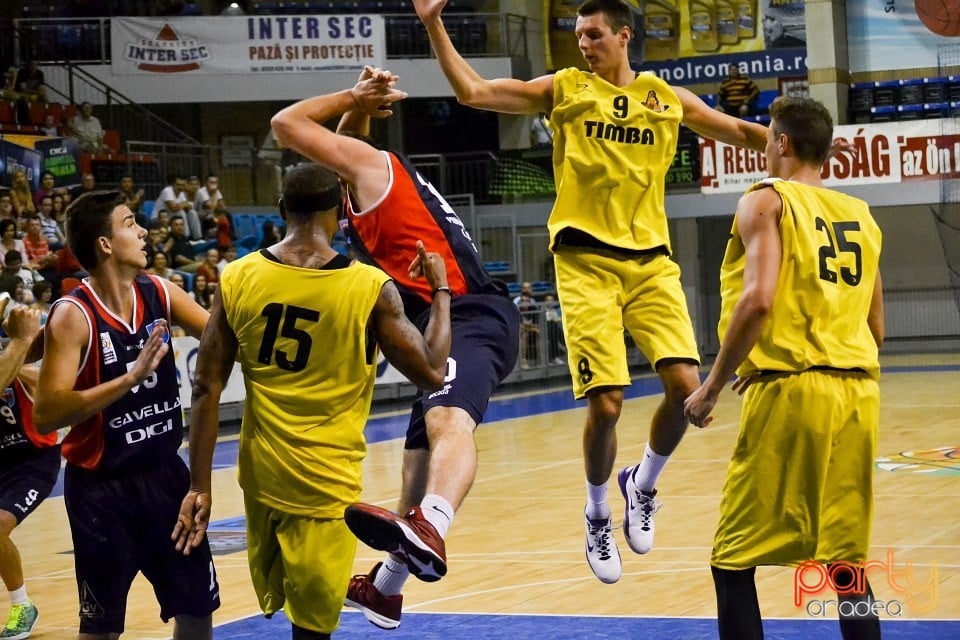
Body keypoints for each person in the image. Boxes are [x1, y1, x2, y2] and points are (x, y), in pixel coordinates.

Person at [412, 0, 771, 584]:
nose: (584, 44)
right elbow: (474, 92)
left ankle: (643, 482)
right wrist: (432, 23)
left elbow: (739, 130)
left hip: (652, 261)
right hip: (584, 262)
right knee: (606, 404)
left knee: (687, 388)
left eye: (594, 34)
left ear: (624, 35)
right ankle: (599, 511)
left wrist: (801, 147)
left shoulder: (664, 96)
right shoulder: (565, 88)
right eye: (578, 35)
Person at [270, 67, 520, 629]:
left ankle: (434, 522)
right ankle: (387, 587)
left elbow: (286, 123)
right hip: (442, 320)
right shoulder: (364, 182)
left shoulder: (372, 170)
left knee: (450, 422)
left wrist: (352, 96)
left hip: (468, 313)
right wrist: (361, 108)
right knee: (415, 463)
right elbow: (348, 142)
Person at [172, 163, 453, 640]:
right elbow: (430, 370)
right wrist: (441, 290)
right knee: (313, 629)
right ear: (343, 210)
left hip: (260, 479)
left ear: (281, 210)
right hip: (326, 484)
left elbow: (205, 387)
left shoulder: (238, 276)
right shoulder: (368, 287)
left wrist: (199, 485)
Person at [683, 97, 884, 640]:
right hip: (859, 394)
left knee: (732, 558)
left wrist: (711, 386)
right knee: (847, 564)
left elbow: (758, 301)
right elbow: (877, 330)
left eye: (769, 137)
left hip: (795, 390)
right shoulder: (862, 216)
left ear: (782, 144)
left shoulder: (765, 203)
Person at [33, 190, 219, 639]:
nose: (142, 231)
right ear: (105, 244)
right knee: (101, 630)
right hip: (101, 492)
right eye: (130, 222)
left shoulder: (159, 291)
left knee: (196, 610)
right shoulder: (72, 316)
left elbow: (223, 337)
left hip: (167, 479)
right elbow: (46, 413)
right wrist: (128, 380)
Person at [0, 307, 54, 640]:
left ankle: (22, 605)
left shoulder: (13, 351)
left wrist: (15, 360)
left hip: (33, 460)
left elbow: (46, 382)